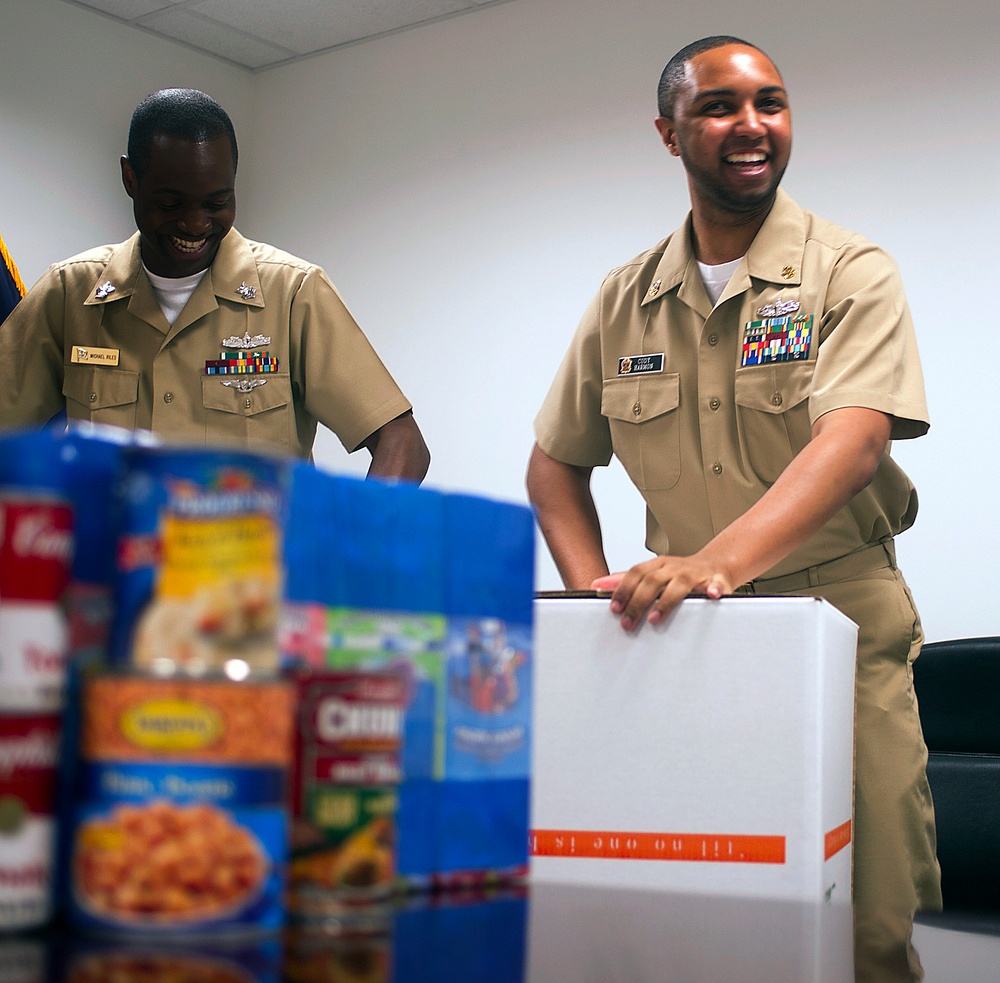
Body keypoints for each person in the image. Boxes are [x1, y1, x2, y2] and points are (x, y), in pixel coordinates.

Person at [526, 36, 940, 914]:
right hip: (686, 643)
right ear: (670, 134)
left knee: (868, 912)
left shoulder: (849, 271)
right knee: (707, 904)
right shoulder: (623, 297)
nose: (751, 125)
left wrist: (714, 560)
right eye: (718, 107)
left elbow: (855, 438)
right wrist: (592, 599)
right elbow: (555, 464)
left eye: (771, 103)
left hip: (842, 627)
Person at [0, 88, 429, 482]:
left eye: (217, 203)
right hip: (112, 562)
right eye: (171, 203)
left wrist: (354, 550)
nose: (195, 224)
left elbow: (402, 442)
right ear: (131, 180)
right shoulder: (69, 293)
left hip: (251, 564)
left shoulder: (294, 293)